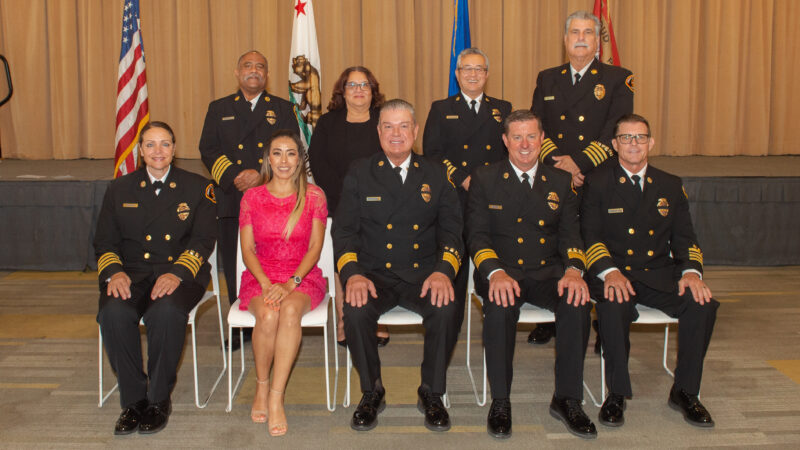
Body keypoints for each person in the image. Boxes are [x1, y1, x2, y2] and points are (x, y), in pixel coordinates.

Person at [333, 99, 463, 433]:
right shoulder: (360, 172)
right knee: (356, 311)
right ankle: (371, 390)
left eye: (403, 126)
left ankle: (431, 391)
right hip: (374, 274)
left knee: (446, 306)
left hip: (422, 273)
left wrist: (443, 271)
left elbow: (452, 230)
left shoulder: (435, 172)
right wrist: (353, 274)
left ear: (415, 131)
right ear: (378, 132)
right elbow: (344, 232)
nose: (396, 134)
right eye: (388, 127)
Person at [581, 114, 718, 428]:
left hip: (658, 273)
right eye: (626, 138)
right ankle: (616, 393)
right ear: (614, 145)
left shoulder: (670, 185)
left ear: (651, 143)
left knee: (702, 305)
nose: (633, 144)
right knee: (614, 307)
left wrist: (691, 273)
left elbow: (685, 238)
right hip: (614, 273)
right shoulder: (598, 183)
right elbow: (589, 236)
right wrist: (609, 272)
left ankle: (685, 391)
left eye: (640, 137)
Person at [466, 110, 595, 439]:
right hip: (502, 270)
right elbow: (477, 235)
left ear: (541, 140)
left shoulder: (561, 181)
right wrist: (494, 272)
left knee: (578, 304)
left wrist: (574, 270)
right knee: (499, 310)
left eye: (532, 136)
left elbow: (571, 236)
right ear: (506, 141)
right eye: (517, 137)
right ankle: (501, 401)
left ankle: (567, 398)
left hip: (547, 271)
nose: (525, 144)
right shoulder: (485, 177)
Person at [95, 121, 217, 435]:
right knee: (113, 312)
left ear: (174, 149)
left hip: (179, 272)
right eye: (150, 145)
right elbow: (105, 242)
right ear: (140, 151)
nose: (158, 151)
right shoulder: (119, 188)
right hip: (131, 273)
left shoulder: (197, 187)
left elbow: (203, 240)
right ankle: (134, 401)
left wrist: (177, 272)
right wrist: (114, 272)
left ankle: (158, 400)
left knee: (164, 312)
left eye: (165, 144)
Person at [528, 10, 634, 345]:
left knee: (600, 240)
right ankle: (554, 313)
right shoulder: (547, 77)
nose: (581, 37)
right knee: (554, 242)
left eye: (589, 32)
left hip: (598, 176)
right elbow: (536, 127)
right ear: (565, 39)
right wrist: (561, 165)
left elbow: (616, 130)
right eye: (575, 31)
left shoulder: (618, 78)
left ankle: (606, 319)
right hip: (555, 174)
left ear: (597, 41)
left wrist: (580, 166)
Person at [199, 50, 301, 351]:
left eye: (260, 67)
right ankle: (241, 318)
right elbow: (208, 149)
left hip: (273, 196)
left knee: (274, 258)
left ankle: (276, 309)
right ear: (237, 72)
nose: (253, 71)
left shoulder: (282, 108)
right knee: (234, 261)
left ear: (266, 76)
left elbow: (291, 146)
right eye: (247, 65)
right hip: (233, 196)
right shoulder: (219, 108)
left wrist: (261, 175)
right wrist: (234, 175)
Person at [238, 130, 328, 436]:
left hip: (302, 277)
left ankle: (276, 397)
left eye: (291, 153)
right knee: (267, 313)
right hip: (260, 277)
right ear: (267, 159)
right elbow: (247, 249)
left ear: (300, 159)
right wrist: (265, 283)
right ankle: (261, 386)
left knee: (288, 311)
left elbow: (315, 248)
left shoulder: (314, 196)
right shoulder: (252, 197)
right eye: (277, 153)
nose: (284, 160)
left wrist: (290, 283)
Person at [423, 47, 511, 335]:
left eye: (479, 69)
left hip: (493, 199)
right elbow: (432, 154)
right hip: (455, 198)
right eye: (466, 69)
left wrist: (486, 181)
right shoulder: (441, 108)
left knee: (496, 260)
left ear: (487, 75)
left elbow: (510, 154)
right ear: (457, 74)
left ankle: (498, 324)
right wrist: (462, 178)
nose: (473, 74)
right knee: (456, 265)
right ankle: (451, 326)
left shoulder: (503, 109)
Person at [308, 66, 390, 348]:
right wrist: (346, 199)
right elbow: (318, 163)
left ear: (373, 90)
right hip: (338, 203)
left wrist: (374, 198)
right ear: (342, 92)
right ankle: (344, 320)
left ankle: (376, 319)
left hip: (383, 204)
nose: (358, 90)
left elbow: (398, 156)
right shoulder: (328, 123)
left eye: (364, 84)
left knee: (379, 258)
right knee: (344, 259)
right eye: (352, 85)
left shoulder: (385, 119)